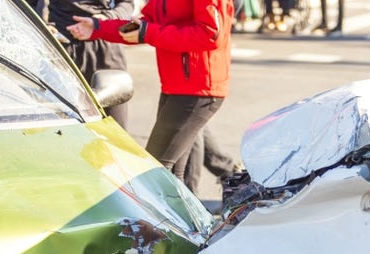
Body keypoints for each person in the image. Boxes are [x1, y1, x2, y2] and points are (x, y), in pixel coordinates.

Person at [66, 0, 233, 183]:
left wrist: (148, 32)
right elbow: (143, 24)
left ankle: (230, 176)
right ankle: (224, 180)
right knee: (169, 174)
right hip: (176, 86)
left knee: (154, 171)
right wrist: (97, 28)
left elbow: (210, 34)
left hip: (199, 88)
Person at [35, 0, 134, 129]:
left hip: (103, 44)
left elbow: (127, 3)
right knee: (60, 127)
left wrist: (107, 17)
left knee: (114, 126)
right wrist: (42, 24)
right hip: (60, 47)